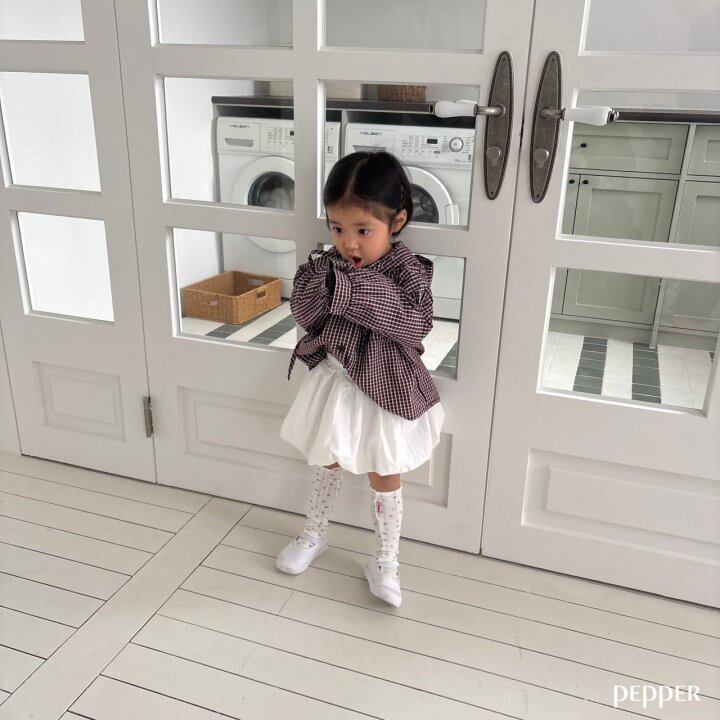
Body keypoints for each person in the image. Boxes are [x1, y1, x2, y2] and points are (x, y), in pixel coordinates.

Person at [277, 150, 445, 608]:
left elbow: (414, 324)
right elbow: (305, 313)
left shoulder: (408, 270)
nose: (348, 243)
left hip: (385, 389)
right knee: (325, 458)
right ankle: (315, 532)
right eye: (337, 228)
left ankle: (386, 559)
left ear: (397, 222)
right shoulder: (325, 266)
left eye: (363, 230)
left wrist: (350, 291)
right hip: (336, 381)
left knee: (385, 471)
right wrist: (326, 287)